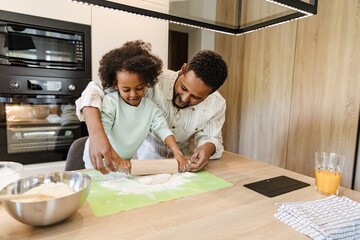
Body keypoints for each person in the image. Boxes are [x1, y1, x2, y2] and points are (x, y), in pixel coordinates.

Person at [76, 42, 228, 174]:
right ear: (183, 69)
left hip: (183, 167)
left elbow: (211, 137)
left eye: (196, 97)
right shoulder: (149, 79)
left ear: (211, 93)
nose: (185, 98)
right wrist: (97, 136)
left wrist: (207, 149)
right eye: (184, 87)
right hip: (143, 165)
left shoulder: (217, 104)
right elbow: (94, 90)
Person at [82, 40, 188, 173]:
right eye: (126, 89)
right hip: (99, 159)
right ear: (116, 84)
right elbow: (104, 134)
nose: (133, 94)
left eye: (139, 88)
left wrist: (176, 151)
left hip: (125, 160)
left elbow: (163, 129)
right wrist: (117, 159)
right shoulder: (111, 103)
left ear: (147, 83)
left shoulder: (150, 108)